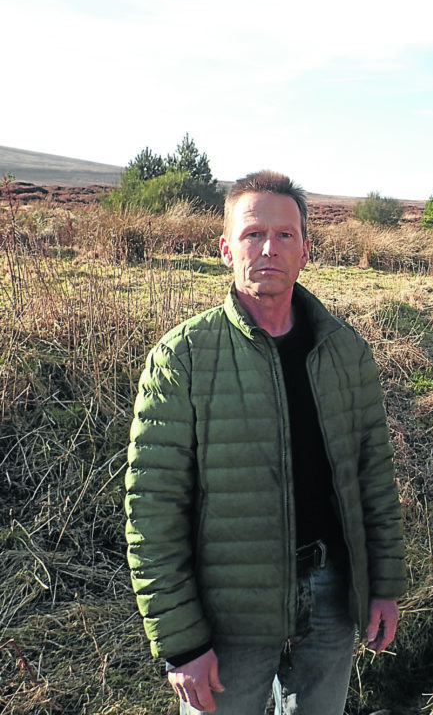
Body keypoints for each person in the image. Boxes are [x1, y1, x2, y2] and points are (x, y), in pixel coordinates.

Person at [124, 170, 405, 714]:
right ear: (227, 249)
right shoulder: (182, 357)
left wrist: (384, 585)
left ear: (305, 250)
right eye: (253, 234)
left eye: (284, 235)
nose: (268, 248)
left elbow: (374, 478)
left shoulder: (346, 352)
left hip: (330, 596)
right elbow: (152, 510)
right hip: (227, 613)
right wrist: (182, 642)